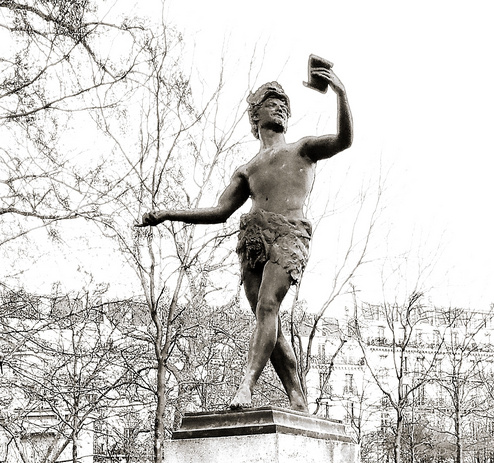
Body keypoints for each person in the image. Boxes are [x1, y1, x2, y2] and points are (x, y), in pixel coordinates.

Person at [138, 63, 352, 412]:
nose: (280, 106)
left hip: (290, 234)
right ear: (255, 117)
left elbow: (344, 140)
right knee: (268, 321)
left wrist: (341, 94)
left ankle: (246, 386)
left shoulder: (302, 149)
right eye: (271, 102)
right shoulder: (248, 169)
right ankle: (297, 396)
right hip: (253, 239)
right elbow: (219, 211)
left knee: (269, 305)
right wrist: (167, 214)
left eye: (284, 102)